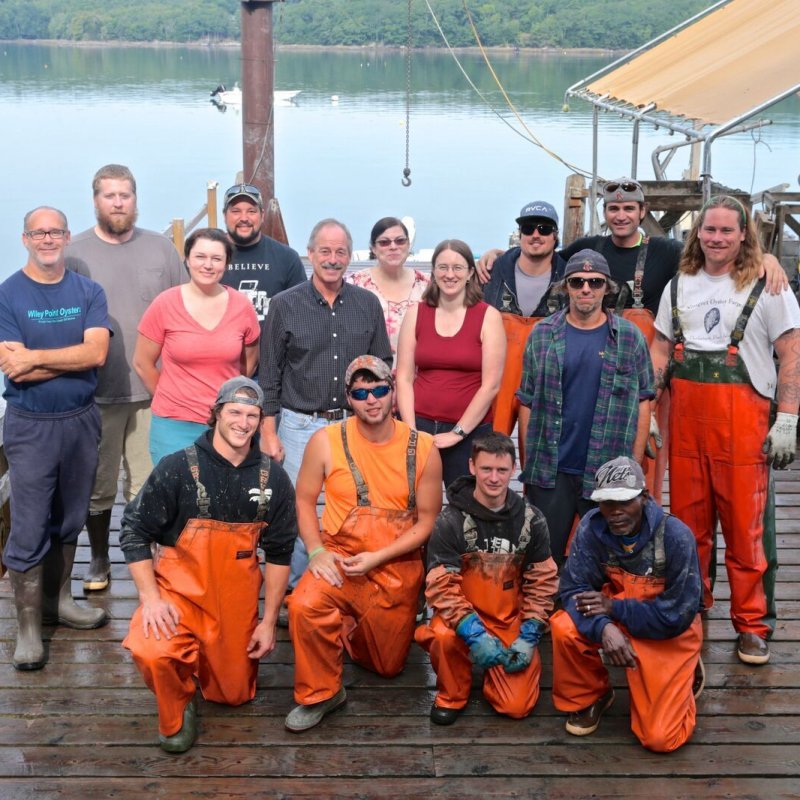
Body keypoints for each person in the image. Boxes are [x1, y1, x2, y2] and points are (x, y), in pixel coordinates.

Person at [650, 195, 800, 665]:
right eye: (708, 230)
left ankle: (752, 624)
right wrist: (650, 412)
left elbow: (791, 355)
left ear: (743, 236)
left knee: (744, 531)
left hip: (744, 424)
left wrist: (788, 419)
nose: (715, 239)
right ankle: (693, 606)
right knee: (688, 526)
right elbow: (659, 350)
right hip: (687, 424)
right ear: (697, 234)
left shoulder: (768, 284)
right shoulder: (678, 285)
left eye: (726, 231)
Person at [121, 377, 297, 753]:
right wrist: (150, 598)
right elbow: (134, 531)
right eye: (234, 411)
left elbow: (280, 552)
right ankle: (178, 705)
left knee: (233, 695)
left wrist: (268, 623)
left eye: (252, 415)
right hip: (177, 598)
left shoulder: (274, 479)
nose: (243, 422)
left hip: (233, 605)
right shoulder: (176, 469)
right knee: (151, 650)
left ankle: (204, 663)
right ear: (216, 414)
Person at [285, 356, 442, 732]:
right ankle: (321, 693)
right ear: (348, 399)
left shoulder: (424, 447)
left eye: (379, 390)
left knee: (387, 667)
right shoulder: (325, 441)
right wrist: (317, 551)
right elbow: (304, 500)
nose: (371, 399)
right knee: (304, 606)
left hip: (396, 564)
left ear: (393, 394)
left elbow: (427, 522)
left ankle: (349, 627)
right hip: (339, 558)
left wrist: (378, 557)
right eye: (360, 392)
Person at [0, 206, 110, 671]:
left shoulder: (88, 290)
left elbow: (97, 352)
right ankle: (27, 626)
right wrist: (70, 357)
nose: (48, 239)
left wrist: (36, 360)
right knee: (27, 522)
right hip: (30, 424)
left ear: (67, 236)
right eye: (38, 232)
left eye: (55, 231)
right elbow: (10, 364)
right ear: (25, 238)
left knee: (71, 516)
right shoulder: (8, 294)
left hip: (81, 419)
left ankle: (58, 601)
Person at [66, 163, 186, 592]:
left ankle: (143, 555)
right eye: (109, 195)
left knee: (148, 479)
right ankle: (98, 558)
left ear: (136, 199)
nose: (118, 203)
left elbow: (184, 310)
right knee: (98, 485)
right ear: (95, 200)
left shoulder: (162, 250)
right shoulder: (74, 253)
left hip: (154, 391)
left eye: (126, 195)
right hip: (95, 395)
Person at [259, 218, 392, 592]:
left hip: (355, 423)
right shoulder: (283, 306)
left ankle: (349, 582)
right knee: (294, 507)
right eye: (325, 251)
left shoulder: (367, 305)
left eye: (340, 252)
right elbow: (269, 374)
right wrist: (269, 433)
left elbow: (382, 367)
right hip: (299, 423)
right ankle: (301, 586)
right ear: (310, 253)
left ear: (350, 256)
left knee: (356, 505)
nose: (332, 259)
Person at [551, 457, 703, 752]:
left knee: (660, 738)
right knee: (563, 627)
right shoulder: (591, 529)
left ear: (644, 497)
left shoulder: (676, 536)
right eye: (607, 502)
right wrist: (604, 626)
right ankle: (591, 695)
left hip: (668, 629)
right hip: (616, 614)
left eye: (625, 501)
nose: (616, 512)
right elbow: (573, 590)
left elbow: (678, 614)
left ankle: (685, 674)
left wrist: (614, 610)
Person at [517, 249, 654, 566]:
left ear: (608, 287)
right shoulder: (541, 335)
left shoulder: (630, 337)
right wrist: (529, 463)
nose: (586, 289)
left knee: (612, 560)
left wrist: (632, 465)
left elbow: (644, 400)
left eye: (595, 282)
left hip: (609, 469)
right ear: (566, 286)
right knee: (542, 559)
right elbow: (526, 401)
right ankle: (547, 612)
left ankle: (604, 614)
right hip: (552, 469)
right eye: (577, 281)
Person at [415, 431, 558, 725]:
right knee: (441, 635)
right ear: (471, 467)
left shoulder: (532, 520)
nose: (494, 478)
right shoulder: (450, 520)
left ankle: (500, 675)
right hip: (461, 617)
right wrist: (474, 633)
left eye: (502, 470)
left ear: (513, 471)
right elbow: (441, 587)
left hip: (508, 619)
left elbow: (542, 583)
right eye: (486, 469)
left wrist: (530, 632)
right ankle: (452, 694)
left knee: (517, 707)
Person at [133, 227, 260, 465]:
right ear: (188, 259)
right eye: (200, 257)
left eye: (216, 258)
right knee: (175, 497)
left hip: (226, 424)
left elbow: (248, 364)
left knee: (225, 498)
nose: (208, 265)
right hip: (173, 424)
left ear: (226, 263)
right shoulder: (165, 304)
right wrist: (172, 397)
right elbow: (142, 363)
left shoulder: (242, 307)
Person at [396, 239, 506, 488]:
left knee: (467, 508)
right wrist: (411, 432)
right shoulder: (417, 313)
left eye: (457, 268)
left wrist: (457, 433)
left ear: (470, 273)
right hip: (419, 426)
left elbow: (490, 386)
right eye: (442, 267)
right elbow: (403, 376)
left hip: (470, 432)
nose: (449, 274)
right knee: (414, 505)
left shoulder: (488, 316)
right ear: (433, 272)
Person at [481, 201, 565, 437]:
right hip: (499, 376)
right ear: (520, 234)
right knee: (491, 446)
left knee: (540, 451)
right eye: (528, 228)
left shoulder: (570, 277)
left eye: (544, 229)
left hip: (547, 377)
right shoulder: (492, 271)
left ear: (556, 236)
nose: (536, 235)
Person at [221, 182, 306, 322]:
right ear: (225, 216)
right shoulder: (207, 258)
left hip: (271, 343)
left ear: (262, 215)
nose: (244, 218)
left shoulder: (287, 258)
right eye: (236, 211)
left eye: (251, 211)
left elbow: (301, 313)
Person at [346, 216, 429, 356]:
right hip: (371, 375)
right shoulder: (354, 284)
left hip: (421, 375)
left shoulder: (428, 285)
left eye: (400, 241)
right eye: (384, 242)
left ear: (408, 244)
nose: (393, 247)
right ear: (373, 248)